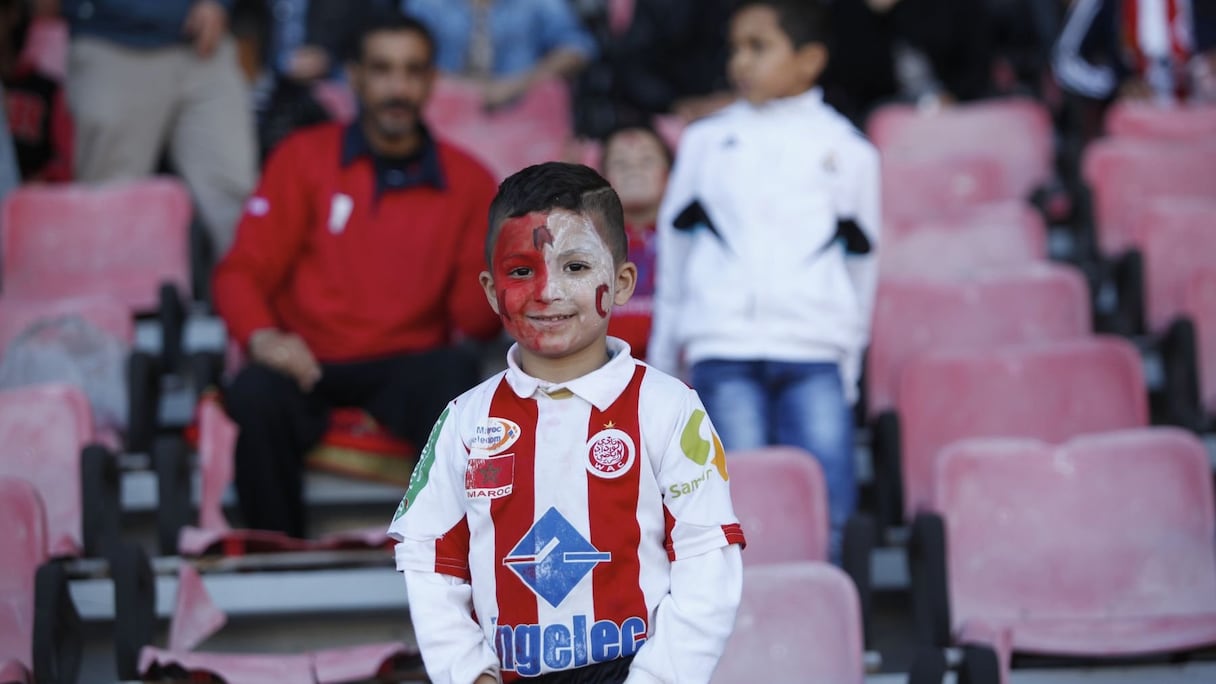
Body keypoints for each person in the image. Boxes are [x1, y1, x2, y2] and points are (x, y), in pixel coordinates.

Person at [388, 162, 745, 684]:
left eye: (576, 267)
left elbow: (708, 559)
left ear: (621, 282)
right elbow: (428, 558)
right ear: (490, 291)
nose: (547, 291)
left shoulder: (670, 406)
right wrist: (469, 673)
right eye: (520, 270)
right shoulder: (464, 421)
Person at [214, 13, 502, 538]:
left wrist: (516, 257)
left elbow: (473, 318)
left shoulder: (471, 180)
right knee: (256, 391)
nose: (399, 87)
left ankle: (448, 560)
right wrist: (263, 337)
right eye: (383, 70)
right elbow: (241, 270)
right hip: (308, 359)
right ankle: (277, 561)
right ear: (355, 77)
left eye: (413, 71)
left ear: (432, 81)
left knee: (459, 384)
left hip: (411, 363)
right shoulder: (303, 156)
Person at [648, 0, 881, 560]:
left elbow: (862, 266)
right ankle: (748, 631)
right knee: (735, 509)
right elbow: (676, 256)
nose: (739, 62)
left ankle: (831, 624)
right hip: (722, 348)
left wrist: (848, 362)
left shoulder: (850, 151)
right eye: (735, 48)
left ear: (809, 60)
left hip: (814, 352)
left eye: (759, 47)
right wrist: (662, 361)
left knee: (828, 506)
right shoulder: (705, 142)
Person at [51, 0, 257, 258]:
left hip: (205, 44)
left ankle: (245, 296)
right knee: (112, 204)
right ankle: (113, 298)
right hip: (115, 40)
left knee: (234, 196)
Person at [400, 0, 597, 109]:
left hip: (524, 111)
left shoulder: (539, 3)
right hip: (445, 110)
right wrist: (463, 90)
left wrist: (518, 84)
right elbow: (404, 52)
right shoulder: (427, 4)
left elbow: (578, 46)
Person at [601, 125, 671, 360]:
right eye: (620, 163)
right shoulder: (583, 243)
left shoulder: (693, 240)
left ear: (669, 174)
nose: (634, 170)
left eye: (647, 160)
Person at [2, 0, 72, 182]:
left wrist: (46, 178)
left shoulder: (46, 89)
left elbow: (66, 160)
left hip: (31, 201)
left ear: (11, 15)